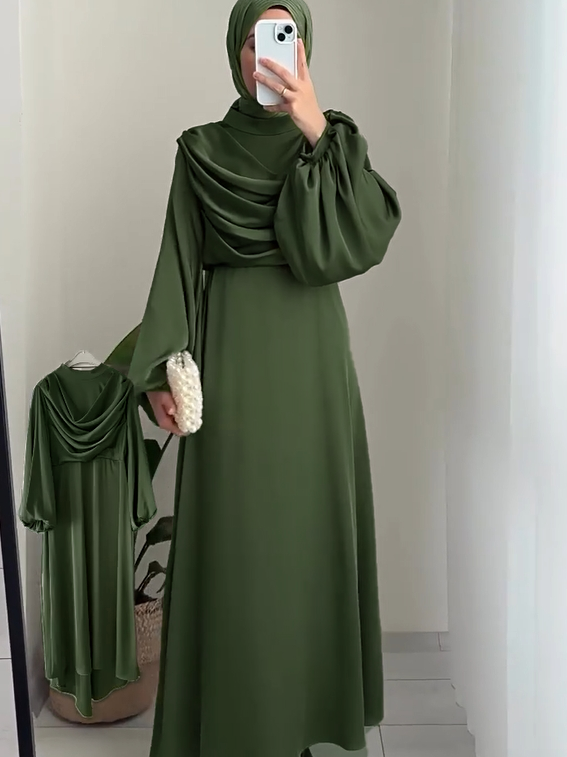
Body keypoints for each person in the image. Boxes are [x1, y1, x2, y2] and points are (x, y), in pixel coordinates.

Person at [127, 1, 401, 755]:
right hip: (235, 362)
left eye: (281, 38)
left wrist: (315, 123)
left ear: (304, 49)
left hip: (313, 365)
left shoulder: (331, 142)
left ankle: (305, 720)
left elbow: (369, 232)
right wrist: (159, 370)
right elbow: (177, 262)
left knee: (307, 538)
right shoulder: (202, 151)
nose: (264, 55)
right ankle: (238, 724)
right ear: (233, 52)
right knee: (242, 544)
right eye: (251, 41)